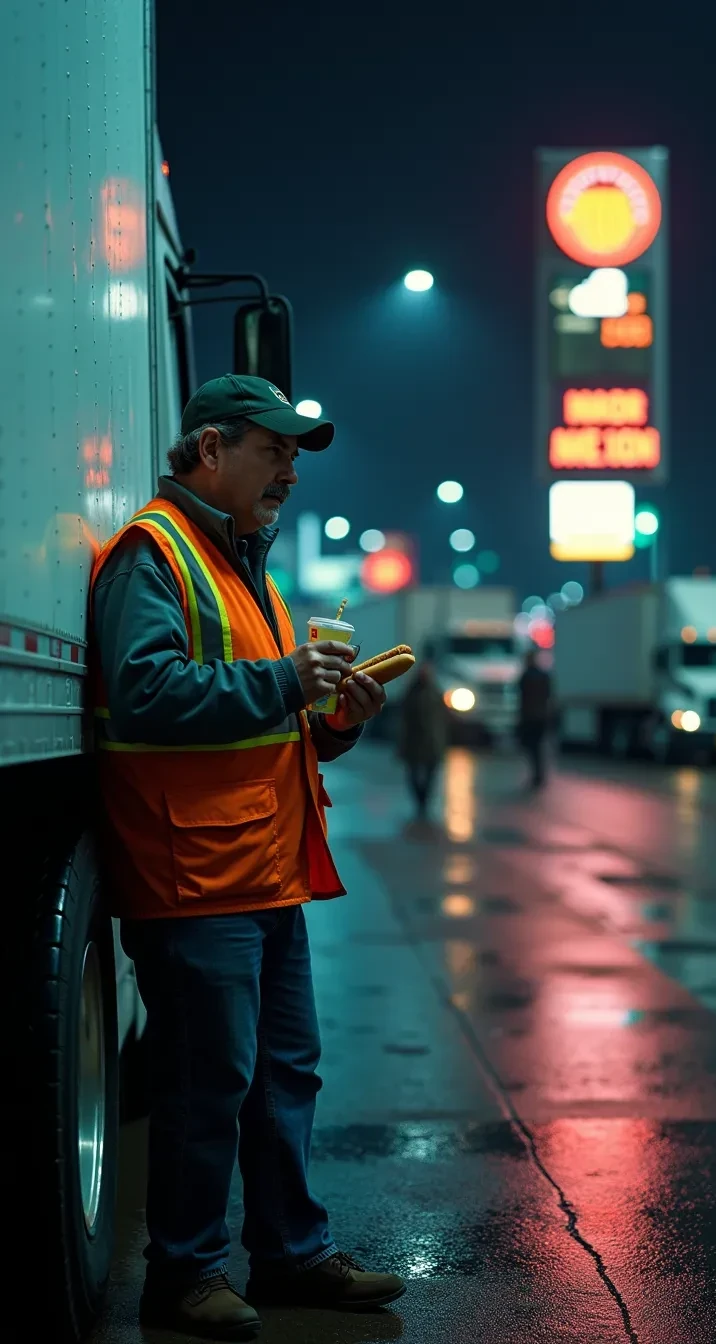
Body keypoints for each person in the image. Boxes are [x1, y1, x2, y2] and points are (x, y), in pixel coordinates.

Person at [90, 374, 406, 1341]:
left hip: (260, 871)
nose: (289, 474)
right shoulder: (156, 553)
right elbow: (146, 693)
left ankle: (292, 1257)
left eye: (296, 456)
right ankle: (183, 1278)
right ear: (209, 449)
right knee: (207, 1080)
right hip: (193, 880)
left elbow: (264, 719)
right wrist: (282, 680)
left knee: (283, 1076)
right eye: (274, 451)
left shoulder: (241, 563)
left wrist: (333, 721)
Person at [397, 661, 448, 816]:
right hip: (415, 741)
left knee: (430, 774)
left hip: (432, 741)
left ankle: (424, 801)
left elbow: (443, 718)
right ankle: (420, 800)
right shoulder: (412, 693)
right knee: (413, 773)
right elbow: (404, 719)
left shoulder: (435, 693)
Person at [517, 649, 554, 788]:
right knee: (538, 748)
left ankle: (536, 775)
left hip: (530, 717)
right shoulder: (543, 676)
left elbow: (522, 699)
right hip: (540, 717)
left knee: (532, 748)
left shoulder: (526, 677)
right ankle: (539, 775)